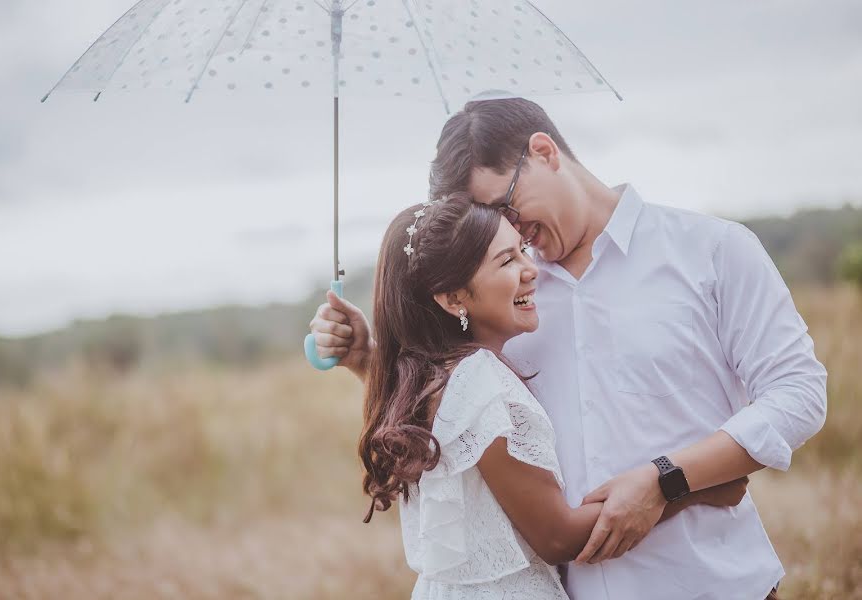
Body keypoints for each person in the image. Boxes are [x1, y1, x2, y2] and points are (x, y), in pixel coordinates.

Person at [311, 97, 827, 600]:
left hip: (711, 581)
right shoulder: (508, 299)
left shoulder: (711, 250)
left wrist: (669, 479)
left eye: (504, 207)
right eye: (489, 225)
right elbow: (452, 408)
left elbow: (799, 394)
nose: (510, 230)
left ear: (544, 151)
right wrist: (368, 359)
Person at [358, 195, 749, 599]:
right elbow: (558, 538)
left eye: (523, 251)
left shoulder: (428, 378)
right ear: (454, 299)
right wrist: (690, 489)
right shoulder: (478, 381)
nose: (532, 271)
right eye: (507, 261)